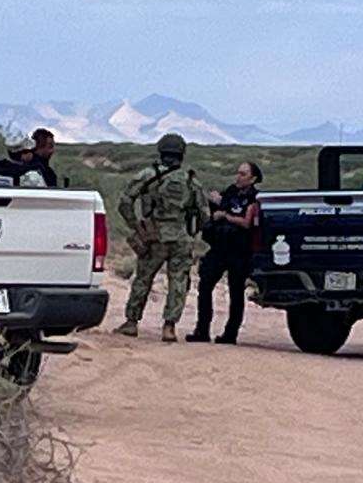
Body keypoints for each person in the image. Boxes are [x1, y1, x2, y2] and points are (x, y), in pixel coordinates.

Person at [112, 133, 210, 342]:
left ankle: (131, 322)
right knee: (178, 282)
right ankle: (169, 327)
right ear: (181, 154)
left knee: (143, 279)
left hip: (153, 236)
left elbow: (125, 202)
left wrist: (136, 226)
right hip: (180, 238)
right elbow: (204, 214)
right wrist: (191, 231)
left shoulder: (148, 175)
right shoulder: (191, 180)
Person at [186, 161, 263, 344]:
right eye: (238, 173)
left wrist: (226, 216)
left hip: (239, 251)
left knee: (235, 292)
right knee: (205, 285)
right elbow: (220, 206)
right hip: (220, 247)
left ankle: (230, 333)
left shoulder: (254, 198)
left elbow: (246, 222)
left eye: (243, 174)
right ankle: (202, 329)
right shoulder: (230, 192)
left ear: (252, 178)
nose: (239, 176)